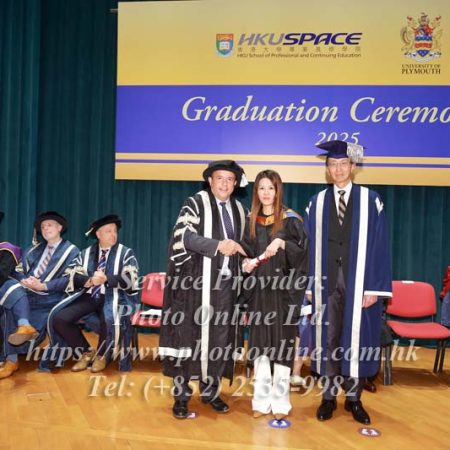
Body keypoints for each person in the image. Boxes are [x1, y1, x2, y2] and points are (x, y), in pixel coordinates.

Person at [304, 140, 392, 425]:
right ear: (327, 169)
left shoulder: (370, 200)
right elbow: (307, 246)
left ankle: (354, 399)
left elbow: (380, 245)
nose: (338, 169)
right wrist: (309, 285)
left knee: (356, 339)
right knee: (328, 338)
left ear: (353, 167)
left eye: (343, 164)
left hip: (359, 282)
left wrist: (374, 288)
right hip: (326, 280)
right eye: (333, 164)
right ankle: (328, 398)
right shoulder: (316, 203)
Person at [159, 160, 248, 419]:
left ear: (235, 183)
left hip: (226, 287)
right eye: (219, 178)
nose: (224, 183)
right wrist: (217, 245)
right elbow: (183, 237)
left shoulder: (240, 211)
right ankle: (181, 396)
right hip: (195, 287)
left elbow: (246, 244)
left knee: (219, 340)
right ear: (210, 181)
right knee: (188, 340)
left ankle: (211, 392)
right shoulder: (195, 203)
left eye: (229, 179)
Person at [240, 170, 308, 420]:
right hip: (259, 293)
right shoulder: (251, 221)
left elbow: (302, 255)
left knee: (281, 348)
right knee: (260, 347)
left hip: (283, 294)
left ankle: (280, 403)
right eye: (261, 188)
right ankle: (260, 401)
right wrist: (245, 264)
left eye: (271, 188)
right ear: (256, 192)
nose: (266, 193)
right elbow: (245, 253)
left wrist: (283, 244)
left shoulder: (291, 220)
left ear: (278, 190)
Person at [48, 214, 139, 372]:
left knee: (108, 318)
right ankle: (86, 352)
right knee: (60, 318)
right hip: (89, 296)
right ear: (98, 234)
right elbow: (72, 275)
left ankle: (103, 355)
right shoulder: (86, 253)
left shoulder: (125, 253)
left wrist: (107, 279)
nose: (113, 234)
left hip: (115, 296)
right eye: (109, 231)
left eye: (115, 231)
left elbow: (131, 279)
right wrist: (90, 281)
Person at [0, 212, 79, 374]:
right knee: (9, 293)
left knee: (13, 307)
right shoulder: (33, 250)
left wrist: (43, 286)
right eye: (43, 227)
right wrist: (24, 280)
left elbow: (71, 279)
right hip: (26, 295)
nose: (45, 229)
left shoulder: (72, 251)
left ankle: (15, 349)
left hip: (50, 299)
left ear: (60, 228)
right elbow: (16, 270)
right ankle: (13, 357)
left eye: (49, 225)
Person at [0, 211, 28, 379]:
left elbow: (2, 274)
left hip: (5, 292)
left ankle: (10, 359)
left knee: (10, 290)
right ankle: (24, 324)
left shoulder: (6, 249)